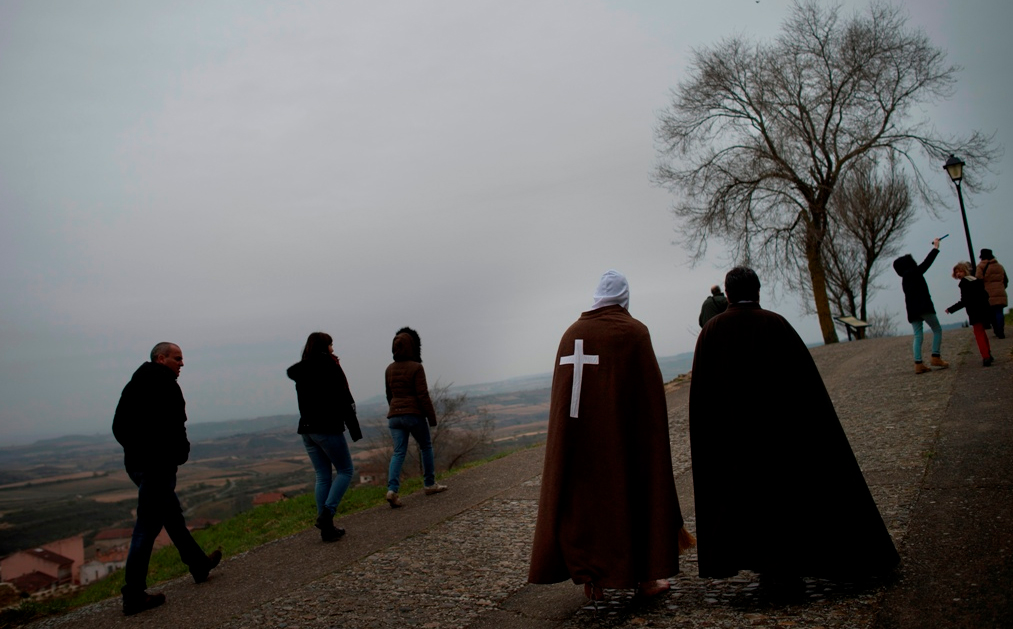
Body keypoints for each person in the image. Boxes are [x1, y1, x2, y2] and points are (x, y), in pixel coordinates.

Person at [688, 268, 899, 595]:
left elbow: (702, 398)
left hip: (733, 441)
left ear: (727, 295)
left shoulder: (711, 332)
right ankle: (788, 568)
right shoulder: (776, 325)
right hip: (780, 438)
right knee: (784, 502)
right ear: (758, 290)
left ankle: (767, 569)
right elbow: (806, 390)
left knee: (746, 506)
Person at [529, 270, 693, 601]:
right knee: (634, 496)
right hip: (624, 440)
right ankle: (646, 579)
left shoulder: (570, 334)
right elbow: (649, 400)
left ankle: (594, 579)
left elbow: (564, 406)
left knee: (587, 504)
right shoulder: (632, 332)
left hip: (581, 443)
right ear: (624, 297)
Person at [112, 342, 222, 616]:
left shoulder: (133, 386)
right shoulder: (166, 385)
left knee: (171, 515)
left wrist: (137, 451)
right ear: (161, 359)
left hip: (136, 465)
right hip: (157, 467)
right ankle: (134, 595)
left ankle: (198, 564)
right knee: (146, 528)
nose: (181, 363)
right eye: (177, 358)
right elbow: (176, 425)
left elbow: (118, 427)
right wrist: (175, 454)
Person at [287, 332, 363, 542]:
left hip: (307, 429)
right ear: (325, 346)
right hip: (327, 428)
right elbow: (343, 398)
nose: (333, 348)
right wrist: (354, 428)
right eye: (331, 344)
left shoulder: (301, 370)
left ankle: (326, 530)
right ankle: (327, 514)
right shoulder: (330, 366)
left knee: (322, 475)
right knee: (346, 470)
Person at [383, 327, 447, 508]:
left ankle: (392, 490)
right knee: (425, 446)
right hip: (413, 414)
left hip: (394, 416)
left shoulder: (389, 369)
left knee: (398, 452)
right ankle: (429, 484)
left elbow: (389, 395)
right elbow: (422, 395)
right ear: (412, 347)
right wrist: (431, 417)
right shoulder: (417, 367)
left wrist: (395, 409)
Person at [893, 237, 948, 374]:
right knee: (937, 329)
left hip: (912, 310)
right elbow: (927, 263)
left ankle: (918, 363)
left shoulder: (905, 278)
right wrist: (935, 247)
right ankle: (935, 356)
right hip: (924, 307)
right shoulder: (914, 273)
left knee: (918, 336)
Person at [945, 262, 994, 367]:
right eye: (956, 272)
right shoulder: (976, 280)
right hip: (984, 309)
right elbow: (985, 294)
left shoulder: (964, 283)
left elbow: (964, 301)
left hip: (974, 311)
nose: (958, 274)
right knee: (982, 332)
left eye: (960, 271)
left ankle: (985, 356)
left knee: (979, 334)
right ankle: (988, 353)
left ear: (965, 271)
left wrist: (951, 309)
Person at [975, 248, 1008, 339]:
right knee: (999, 312)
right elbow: (1006, 280)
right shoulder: (999, 266)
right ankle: (1001, 331)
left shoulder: (981, 266)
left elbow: (978, 280)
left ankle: (997, 331)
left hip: (987, 293)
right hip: (1000, 291)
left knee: (991, 313)